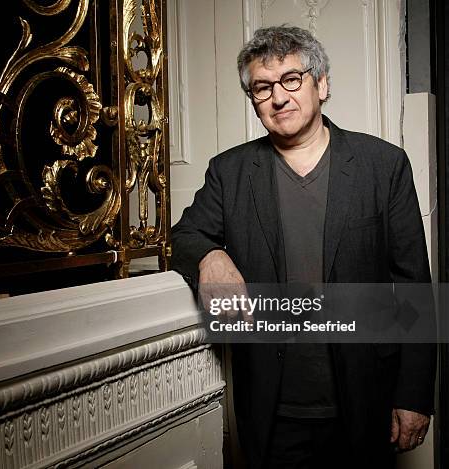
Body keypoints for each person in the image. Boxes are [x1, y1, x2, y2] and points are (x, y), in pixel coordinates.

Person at [171, 26, 436, 469]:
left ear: (322, 83)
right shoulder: (230, 172)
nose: (279, 97)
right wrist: (208, 256)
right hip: (274, 409)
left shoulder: (383, 165)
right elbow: (183, 235)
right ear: (254, 100)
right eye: (262, 87)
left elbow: (413, 288)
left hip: (366, 400)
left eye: (292, 79)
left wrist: (414, 395)